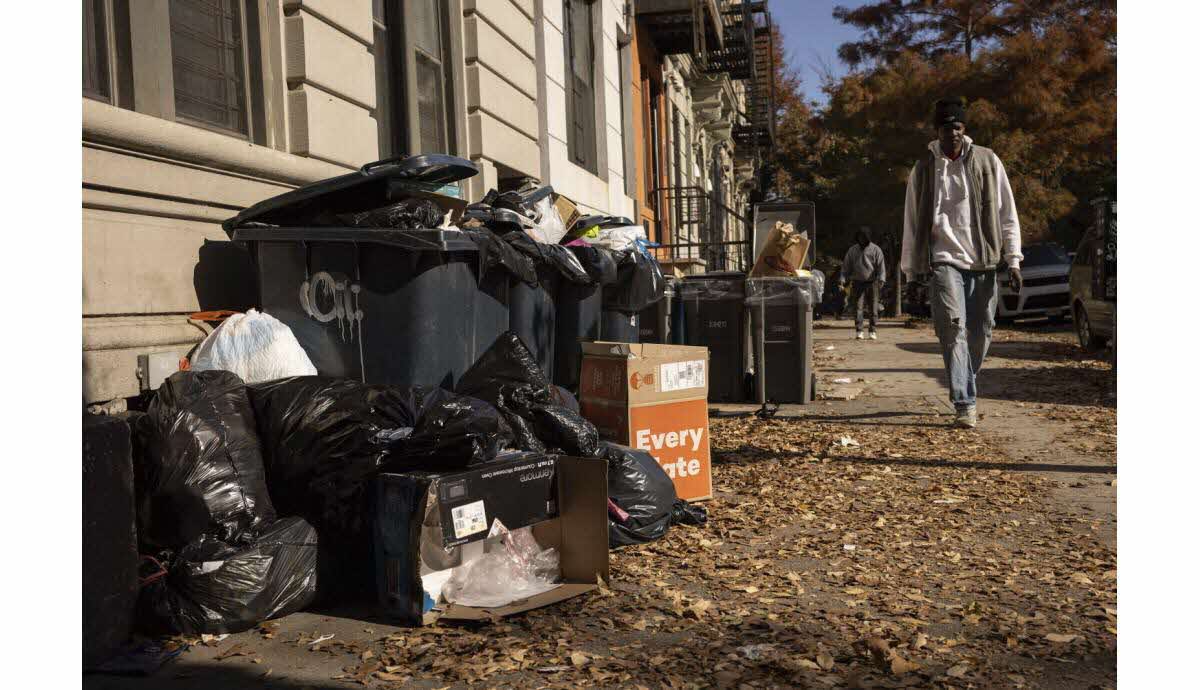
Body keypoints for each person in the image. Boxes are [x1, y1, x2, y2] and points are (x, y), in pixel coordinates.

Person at [901, 98, 1023, 429]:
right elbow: (912, 221)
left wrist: (1013, 259)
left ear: (964, 129)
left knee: (982, 329)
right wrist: (911, 271)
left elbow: (1006, 212)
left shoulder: (987, 160)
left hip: (983, 259)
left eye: (957, 127)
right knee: (953, 329)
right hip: (943, 261)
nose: (952, 133)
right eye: (945, 127)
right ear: (936, 131)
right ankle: (964, 402)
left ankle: (964, 376)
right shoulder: (924, 167)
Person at [839, 228, 887, 339]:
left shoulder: (876, 250)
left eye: (864, 237)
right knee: (858, 308)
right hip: (857, 282)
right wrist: (842, 279)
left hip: (872, 283)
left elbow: (881, 266)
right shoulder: (852, 250)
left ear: (868, 238)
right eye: (860, 237)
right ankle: (859, 330)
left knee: (873, 308)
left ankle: (872, 330)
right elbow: (846, 267)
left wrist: (882, 279)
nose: (862, 239)